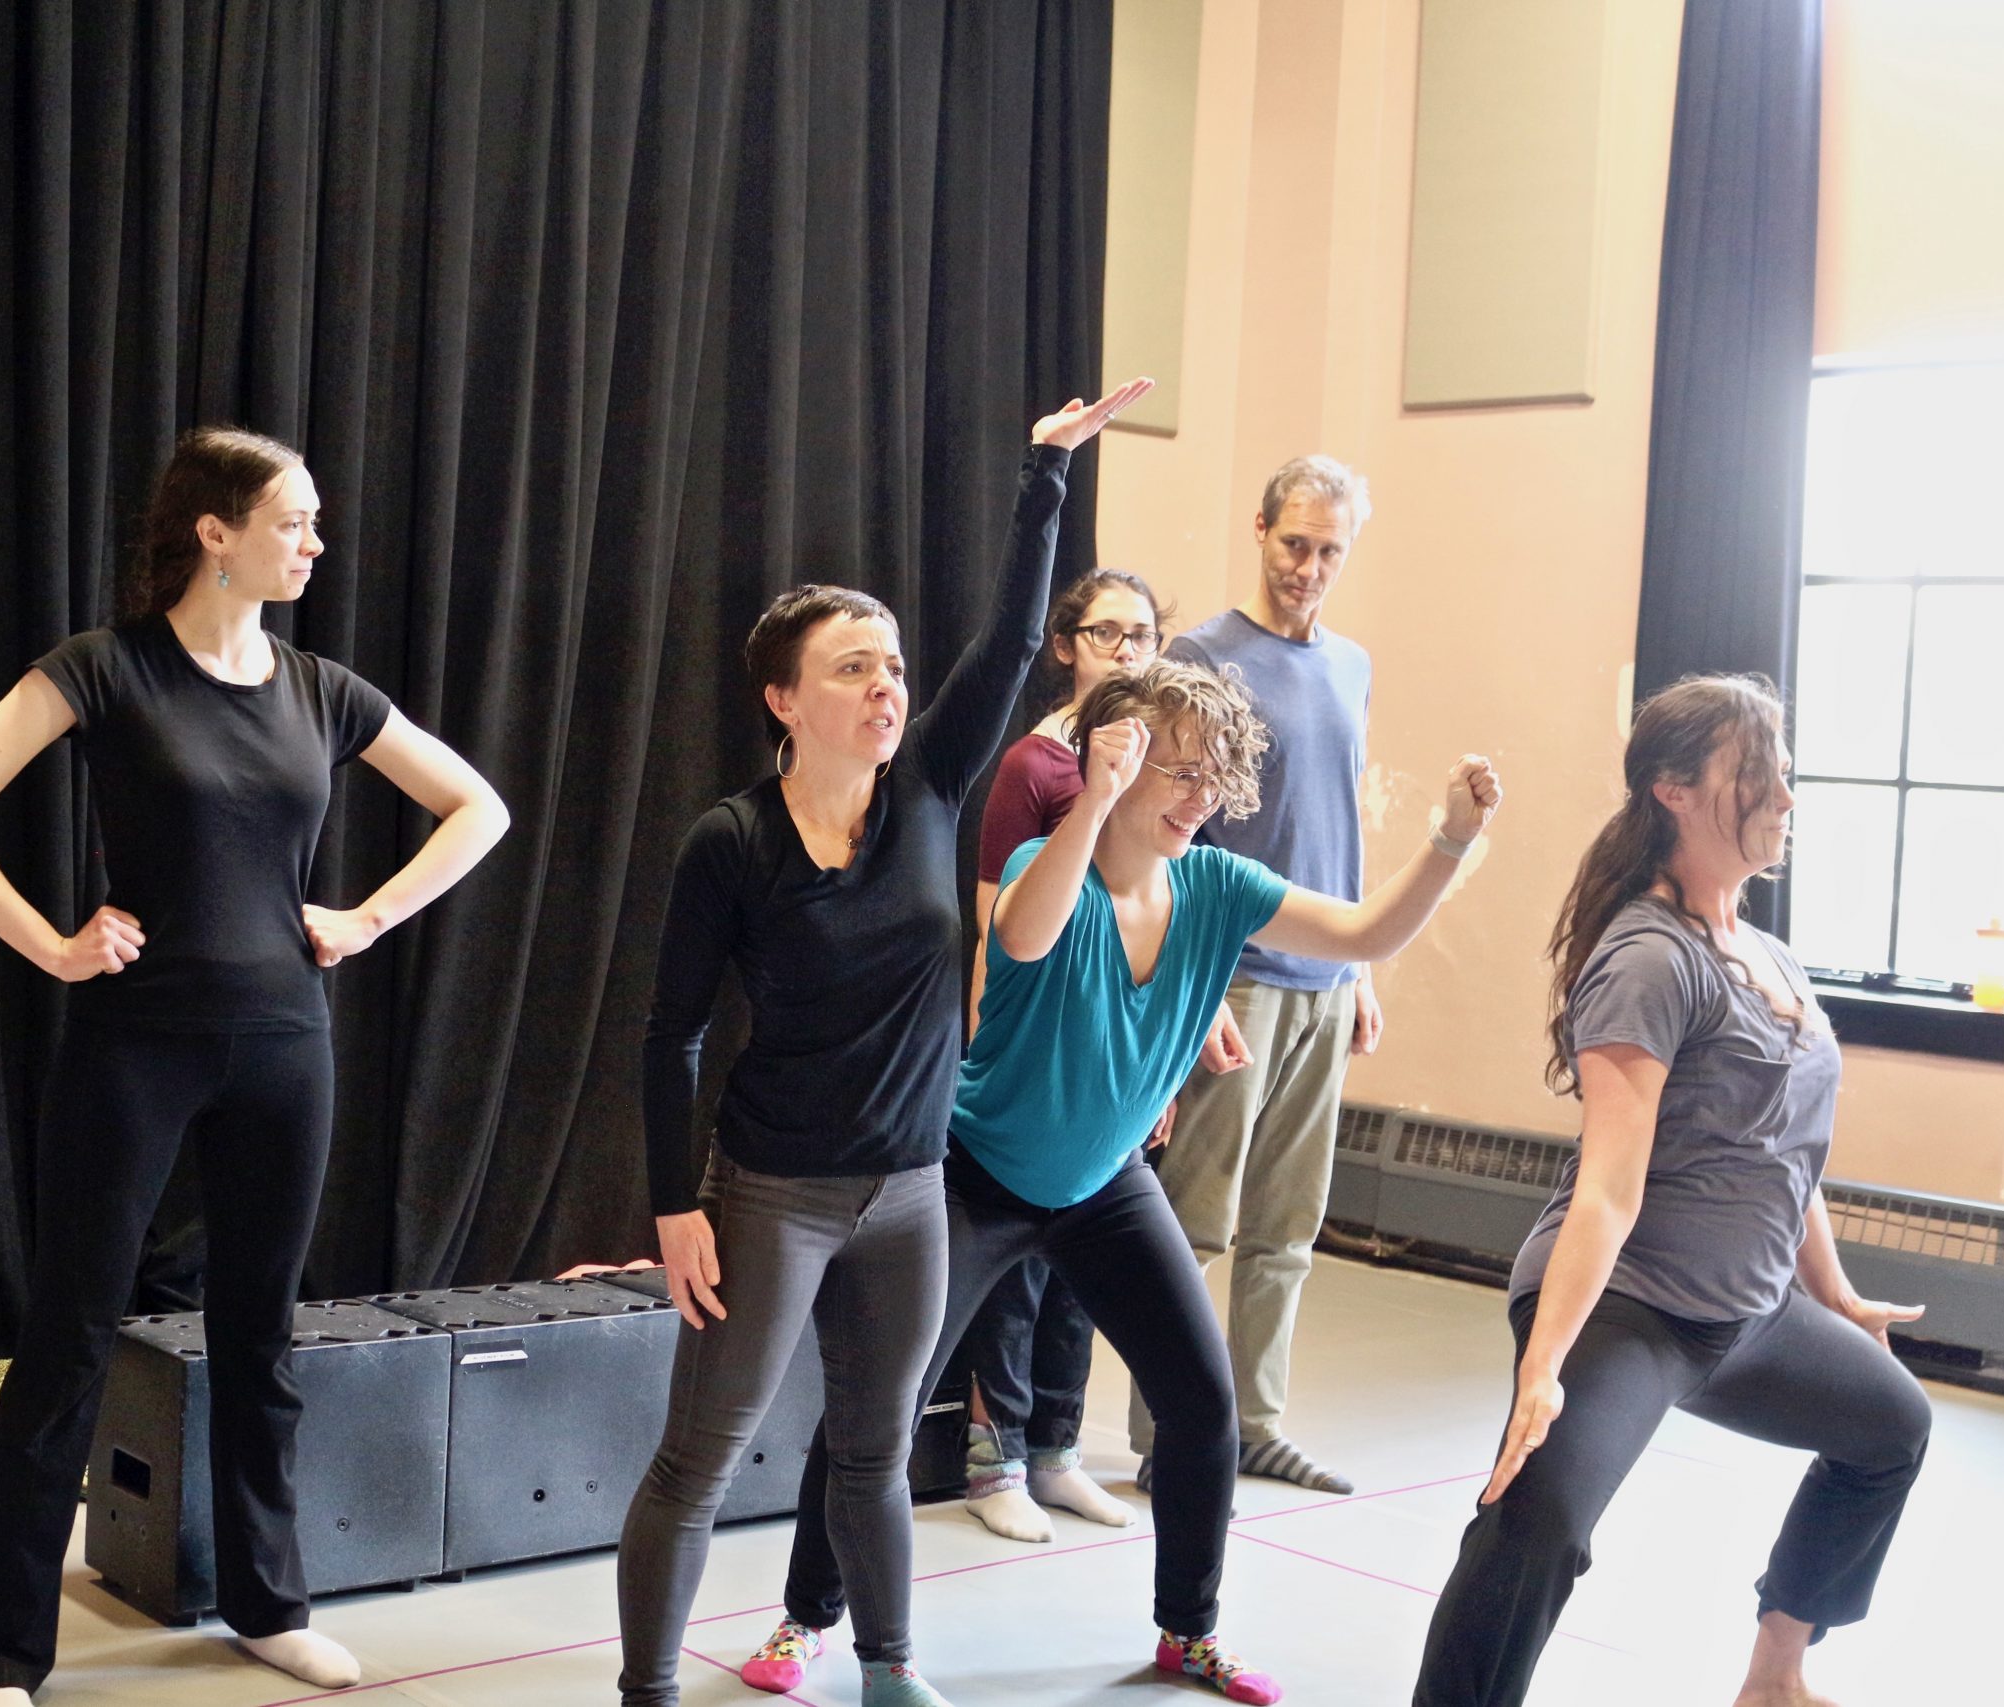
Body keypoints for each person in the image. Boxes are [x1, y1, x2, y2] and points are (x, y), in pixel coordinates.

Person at [0, 427, 510, 1704]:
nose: (316, 543)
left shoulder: (323, 689)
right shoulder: (107, 671)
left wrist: (368, 917)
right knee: (68, 1339)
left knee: (258, 1335)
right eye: (295, 520)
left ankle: (265, 1602)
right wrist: (52, 945)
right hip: (135, 1046)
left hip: (285, 1045)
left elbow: (478, 808)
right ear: (215, 532)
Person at [763, 659, 1504, 1706]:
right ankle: (805, 1619)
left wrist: (1449, 840)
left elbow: (1359, 937)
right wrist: (1097, 800)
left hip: (1105, 1184)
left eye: (1214, 777)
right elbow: (1023, 932)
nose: (1197, 798)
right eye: (1174, 771)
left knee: (1202, 1404)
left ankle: (1187, 1633)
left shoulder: (1216, 886)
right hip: (976, 1177)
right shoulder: (1040, 860)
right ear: (1112, 760)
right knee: (872, 1411)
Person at [617, 378, 1155, 1707]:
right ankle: (645, 1688)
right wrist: (675, 1201)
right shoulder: (730, 840)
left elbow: (1016, 633)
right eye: (855, 665)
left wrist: (1047, 476)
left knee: (872, 1453)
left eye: (895, 664)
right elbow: (671, 1032)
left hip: (910, 1193)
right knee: (702, 1453)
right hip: (773, 1192)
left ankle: (888, 1669)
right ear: (783, 698)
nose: (889, 684)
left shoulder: (929, 789)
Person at [1411, 674, 1931, 1707]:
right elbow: (1606, 1186)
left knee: (1889, 1430)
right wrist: (1545, 1369)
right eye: (1758, 776)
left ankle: (1775, 1676)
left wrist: (1831, 1291)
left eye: (1782, 776)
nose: (1784, 798)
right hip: (1630, 1307)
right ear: (1674, 792)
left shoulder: (1769, 958)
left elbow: (1784, 1151)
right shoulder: (1648, 959)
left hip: (1747, 1314)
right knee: (1539, 1523)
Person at [1130, 454, 1379, 1496]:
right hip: (1231, 980)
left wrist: (1362, 965)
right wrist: (1184, 987)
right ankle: (1168, 1432)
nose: (1307, 568)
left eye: (1327, 551)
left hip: (1324, 986)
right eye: (1293, 545)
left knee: (1287, 1225)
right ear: (1260, 531)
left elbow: (1342, 820)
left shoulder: (1353, 665)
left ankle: (1258, 1420)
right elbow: (1165, 831)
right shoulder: (1203, 655)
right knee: (1192, 1221)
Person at [951, 568, 1171, 1544]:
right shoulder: (1032, 768)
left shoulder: (1166, 773)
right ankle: (991, 1461)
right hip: (1031, 1059)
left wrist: (1157, 1063)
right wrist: (979, 1045)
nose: (1128, 650)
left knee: (1083, 1272)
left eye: (1145, 634)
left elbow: (1158, 916)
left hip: (1111, 1063)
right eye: (1108, 632)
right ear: (1066, 645)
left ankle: (1057, 1450)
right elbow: (992, 922)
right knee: (1011, 1270)